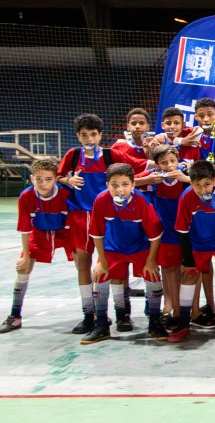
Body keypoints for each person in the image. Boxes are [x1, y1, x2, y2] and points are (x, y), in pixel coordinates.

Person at [57, 114, 149, 334]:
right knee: (83, 264)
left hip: (110, 217)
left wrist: (165, 153)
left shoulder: (112, 155)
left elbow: (139, 166)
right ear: (78, 136)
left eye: (93, 134)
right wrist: (68, 180)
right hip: (80, 217)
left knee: (116, 264)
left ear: (100, 135)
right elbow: (58, 176)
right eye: (84, 135)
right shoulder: (72, 155)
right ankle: (90, 314)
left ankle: (122, 313)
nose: (89, 138)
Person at [83, 163, 164, 344]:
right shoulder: (101, 200)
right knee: (100, 276)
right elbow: (97, 234)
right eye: (114, 184)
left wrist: (151, 261)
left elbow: (155, 235)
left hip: (140, 247)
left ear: (133, 185)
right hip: (113, 248)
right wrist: (102, 263)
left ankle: (155, 321)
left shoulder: (142, 201)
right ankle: (102, 324)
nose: (120, 189)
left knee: (153, 276)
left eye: (125, 184)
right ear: (107, 186)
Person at [1, 159, 74, 333]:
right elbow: (25, 230)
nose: (43, 183)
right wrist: (26, 256)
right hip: (39, 233)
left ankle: (91, 314)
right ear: (32, 178)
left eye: (48, 179)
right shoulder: (26, 196)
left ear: (56, 179)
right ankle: (15, 315)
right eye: (38, 179)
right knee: (22, 269)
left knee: (83, 264)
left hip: (65, 232)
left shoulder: (66, 193)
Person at [172, 160, 215, 342]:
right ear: (191, 183)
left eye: (207, 185)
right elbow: (182, 230)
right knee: (189, 274)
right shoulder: (186, 197)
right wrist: (188, 259)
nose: (203, 190)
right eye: (197, 186)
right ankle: (184, 323)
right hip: (198, 244)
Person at [137, 145, 190, 329]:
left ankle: (188, 310)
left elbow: (213, 182)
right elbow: (125, 181)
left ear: (178, 160)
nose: (168, 165)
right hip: (164, 230)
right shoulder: (153, 176)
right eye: (163, 162)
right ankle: (170, 308)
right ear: (157, 164)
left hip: (186, 229)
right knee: (168, 270)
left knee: (188, 270)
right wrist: (148, 179)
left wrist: (187, 179)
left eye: (172, 161)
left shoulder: (184, 172)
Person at [176, 98, 215, 167]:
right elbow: (163, 138)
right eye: (201, 116)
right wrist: (181, 141)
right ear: (195, 117)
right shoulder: (189, 134)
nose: (206, 119)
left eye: (210, 115)